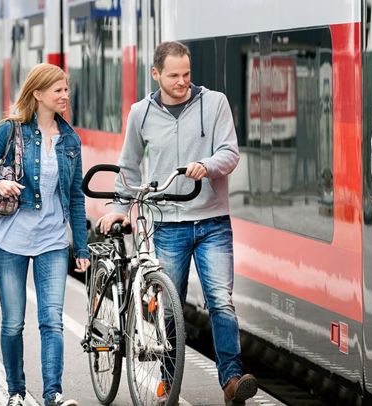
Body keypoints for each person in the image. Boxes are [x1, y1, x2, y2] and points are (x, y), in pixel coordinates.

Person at [97, 41, 258, 405]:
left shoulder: (214, 103)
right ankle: (168, 383)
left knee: (221, 302)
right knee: (171, 306)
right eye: (174, 76)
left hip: (212, 220)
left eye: (187, 74)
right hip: (167, 222)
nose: (183, 81)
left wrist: (209, 165)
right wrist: (119, 206)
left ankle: (232, 379)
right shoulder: (140, 113)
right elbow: (129, 166)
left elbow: (229, 153)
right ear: (156, 74)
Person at [0, 63, 89, 406]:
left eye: (66, 89)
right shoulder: (10, 130)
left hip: (51, 241)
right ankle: (16, 392)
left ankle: (53, 395)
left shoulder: (70, 140)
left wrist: (81, 245)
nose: (65, 96)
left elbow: (76, 197)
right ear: (37, 94)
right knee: (14, 323)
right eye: (58, 90)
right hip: (10, 242)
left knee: (52, 321)